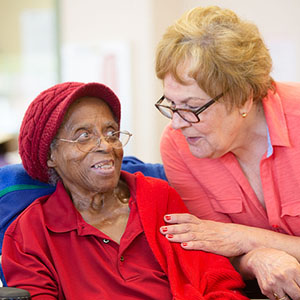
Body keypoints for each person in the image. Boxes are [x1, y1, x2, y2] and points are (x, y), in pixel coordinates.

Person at [1, 82, 248, 300]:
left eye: (111, 133)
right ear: (50, 155)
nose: (106, 146)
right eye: (84, 135)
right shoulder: (30, 233)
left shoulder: (159, 198)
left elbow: (218, 283)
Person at [154, 5, 300, 300]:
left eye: (192, 107)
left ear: (243, 99)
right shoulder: (177, 145)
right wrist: (257, 258)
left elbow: (230, 239)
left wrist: (246, 237)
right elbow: (212, 247)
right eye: (171, 104)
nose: (177, 123)